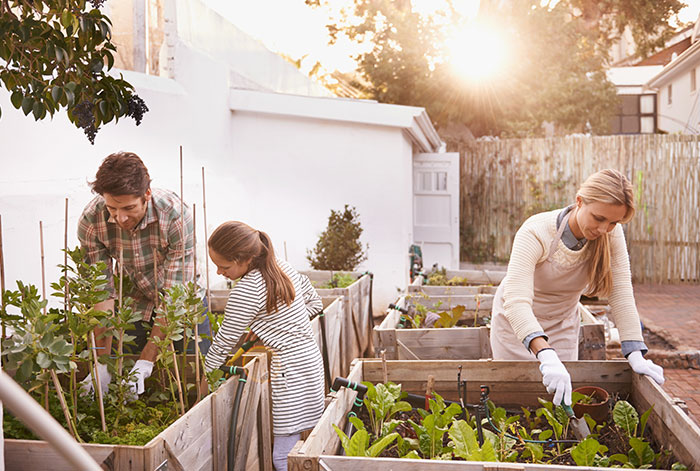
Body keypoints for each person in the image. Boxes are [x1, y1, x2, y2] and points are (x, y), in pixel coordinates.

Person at [490, 169, 664, 406]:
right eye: (599, 218)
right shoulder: (536, 231)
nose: (604, 229)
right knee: (515, 402)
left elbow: (621, 292)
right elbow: (516, 301)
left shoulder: (611, 235)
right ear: (579, 202)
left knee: (560, 403)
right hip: (516, 327)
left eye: (614, 222)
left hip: (562, 325)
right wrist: (544, 352)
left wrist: (635, 351)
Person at [77, 151, 207, 398]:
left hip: (181, 303)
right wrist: (101, 363)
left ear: (147, 194)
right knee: (131, 389)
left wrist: (147, 361)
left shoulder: (175, 216)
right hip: (134, 301)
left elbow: (173, 299)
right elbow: (101, 291)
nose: (120, 217)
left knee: (192, 382)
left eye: (128, 208)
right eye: (112, 208)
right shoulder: (92, 220)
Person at [202, 221, 324, 471]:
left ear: (245, 259)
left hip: (287, 372)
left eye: (223, 266)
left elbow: (224, 342)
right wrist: (272, 329)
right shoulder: (282, 267)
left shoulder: (246, 291)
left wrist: (205, 378)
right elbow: (315, 303)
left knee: (282, 456)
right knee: (304, 442)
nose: (218, 273)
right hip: (310, 361)